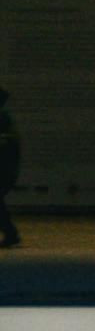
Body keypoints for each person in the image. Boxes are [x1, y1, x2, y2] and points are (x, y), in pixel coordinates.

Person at [0, 79, 21, 248]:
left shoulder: (3, 119)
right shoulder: (5, 119)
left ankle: (11, 233)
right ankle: (11, 233)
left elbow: (9, 144)